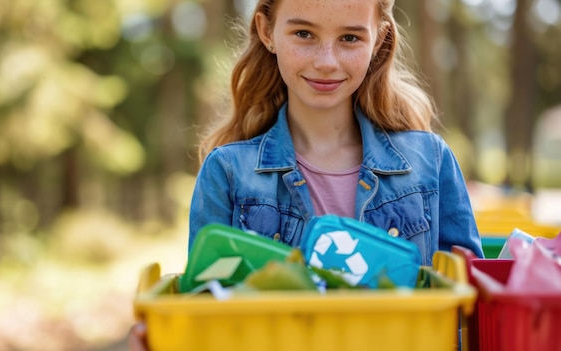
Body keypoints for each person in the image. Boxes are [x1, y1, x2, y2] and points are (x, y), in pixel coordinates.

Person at [129, 0, 484, 349]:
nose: (326, 62)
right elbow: (205, 319)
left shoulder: (430, 162)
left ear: (379, 39)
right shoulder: (227, 175)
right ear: (267, 31)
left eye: (350, 38)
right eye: (304, 33)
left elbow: (471, 319)